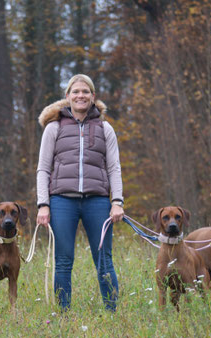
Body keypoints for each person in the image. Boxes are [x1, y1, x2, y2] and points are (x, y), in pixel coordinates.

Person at [36, 74, 124, 311]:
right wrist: (43, 204)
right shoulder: (54, 128)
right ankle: (63, 315)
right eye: (75, 92)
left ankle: (112, 313)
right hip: (62, 201)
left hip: (98, 202)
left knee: (104, 260)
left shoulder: (105, 128)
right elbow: (43, 169)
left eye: (85, 92)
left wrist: (117, 202)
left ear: (93, 97)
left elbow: (114, 168)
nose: (80, 96)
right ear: (67, 97)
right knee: (63, 261)